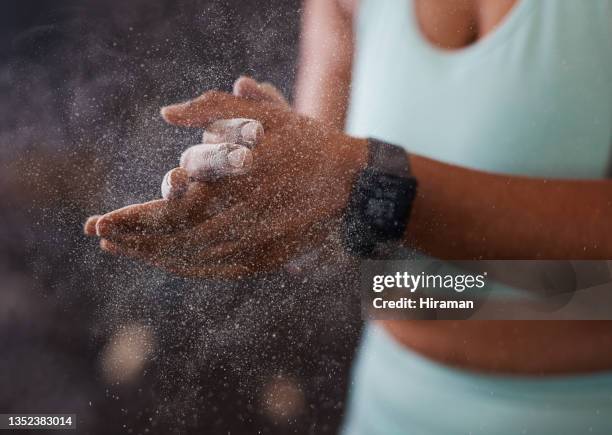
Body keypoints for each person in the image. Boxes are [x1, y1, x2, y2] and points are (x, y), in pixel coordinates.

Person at [85, 0, 612, 433]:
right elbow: (332, 215)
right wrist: (273, 182)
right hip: (388, 405)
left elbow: (349, 176)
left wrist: (373, 181)